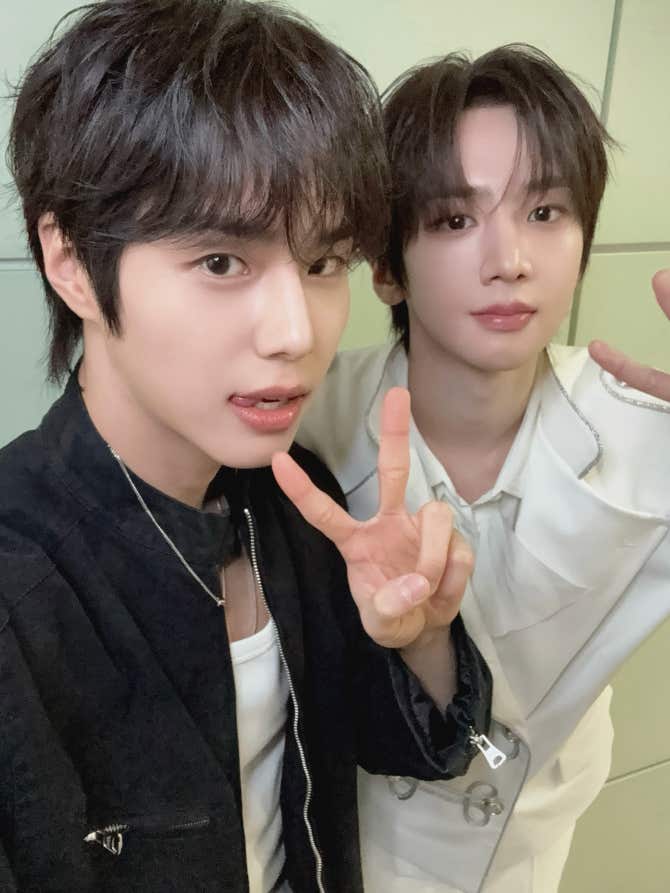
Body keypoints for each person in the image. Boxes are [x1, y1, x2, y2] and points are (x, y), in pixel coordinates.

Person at [0, 3, 493, 891]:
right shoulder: (20, 583)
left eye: (323, 263)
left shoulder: (295, 499)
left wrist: (420, 639)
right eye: (222, 262)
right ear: (70, 261)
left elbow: (414, 751)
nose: (297, 332)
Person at [299, 45, 670, 893]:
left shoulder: (644, 434)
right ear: (384, 267)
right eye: (453, 220)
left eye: (545, 211)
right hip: (348, 843)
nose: (510, 259)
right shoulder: (306, 420)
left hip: (524, 857)